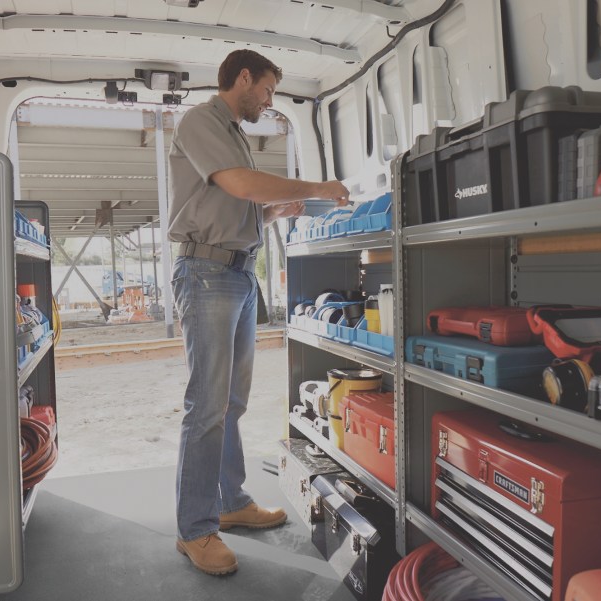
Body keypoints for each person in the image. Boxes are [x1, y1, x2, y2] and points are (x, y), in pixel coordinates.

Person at [167, 49, 350, 576]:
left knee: (231, 403)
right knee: (206, 407)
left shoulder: (234, 132)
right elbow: (240, 185)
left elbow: (238, 204)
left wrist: (277, 211)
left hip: (239, 272)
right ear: (242, 78)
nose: (269, 102)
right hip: (206, 274)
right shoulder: (203, 119)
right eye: (267, 91)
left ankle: (229, 500)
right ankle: (195, 530)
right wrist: (315, 188)